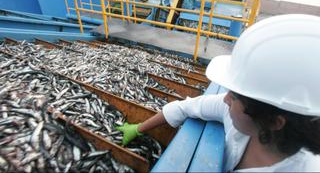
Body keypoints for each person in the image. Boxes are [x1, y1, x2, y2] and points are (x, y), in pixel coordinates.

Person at [116, 14, 320, 171]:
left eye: (235, 96)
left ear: (275, 121)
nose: (225, 98)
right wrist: (138, 128)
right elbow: (185, 107)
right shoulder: (243, 118)